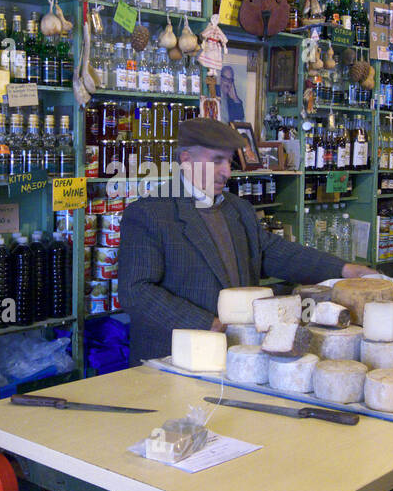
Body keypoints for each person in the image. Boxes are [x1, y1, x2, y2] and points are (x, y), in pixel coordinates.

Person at [119, 118, 378, 364]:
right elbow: (136, 292)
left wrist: (344, 270)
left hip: (238, 351)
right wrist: (207, 323)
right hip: (174, 357)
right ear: (186, 160)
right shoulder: (149, 213)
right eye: (216, 161)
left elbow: (274, 252)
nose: (226, 172)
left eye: (229, 162)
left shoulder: (237, 209)